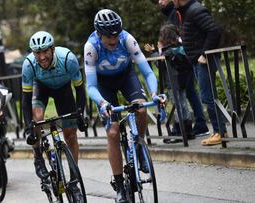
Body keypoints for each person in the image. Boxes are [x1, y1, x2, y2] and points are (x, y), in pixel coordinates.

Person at [84, 9, 160, 203]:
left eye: (117, 34)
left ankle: (139, 145)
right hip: (103, 85)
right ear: (99, 33)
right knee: (113, 132)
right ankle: (119, 186)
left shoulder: (127, 39)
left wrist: (153, 93)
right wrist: (102, 103)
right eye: (109, 36)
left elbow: (148, 73)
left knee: (141, 108)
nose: (114, 39)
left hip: (127, 77)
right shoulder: (91, 47)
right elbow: (91, 86)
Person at [22, 31, 86, 201]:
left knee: (71, 135)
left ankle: (73, 182)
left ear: (53, 49)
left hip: (63, 90)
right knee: (37, 118)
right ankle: (38, 157)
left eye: (45, 51)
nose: (42, 57)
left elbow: (80, 89)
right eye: (37, 52)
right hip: (40, 88)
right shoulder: (29, 64)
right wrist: (29, 126)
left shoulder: (68, 59)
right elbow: (25, 99)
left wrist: (80, 114)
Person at [158, 0, 227, 145]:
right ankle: (219, 131)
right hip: (196, 61)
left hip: (204, 60)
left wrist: (204, 54)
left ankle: (220, 132)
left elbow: (214, 30)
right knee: (207, 96)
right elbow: (168, 12)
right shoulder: (183, 11)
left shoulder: (195, 10)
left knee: (208, 96)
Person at [158, 23, 193, 142]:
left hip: (172, 83)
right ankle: (188, 130)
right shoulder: (181, 48)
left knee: (177, 106)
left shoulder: (167, 52)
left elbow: (159, 63)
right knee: (183, 105)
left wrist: (157, 51)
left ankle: (178, 132)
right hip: (183, 81)